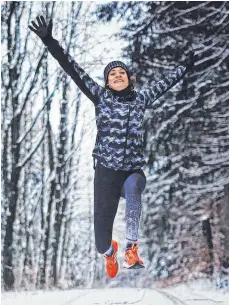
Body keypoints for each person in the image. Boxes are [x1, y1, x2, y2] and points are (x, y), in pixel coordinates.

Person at [29, 16, 194, 278]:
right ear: (107, 82)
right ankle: (111, 252)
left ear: (130, 79)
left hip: (132, 170)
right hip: (106, 172)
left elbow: (166, 82)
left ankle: (131, 248)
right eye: (112, 74)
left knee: (135, 188)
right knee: (99, 241)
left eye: (122, 73)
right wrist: (49, 41)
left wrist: (185, 67)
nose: (118, 76)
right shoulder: (100, 97)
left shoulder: (141, 99)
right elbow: (72, 68)